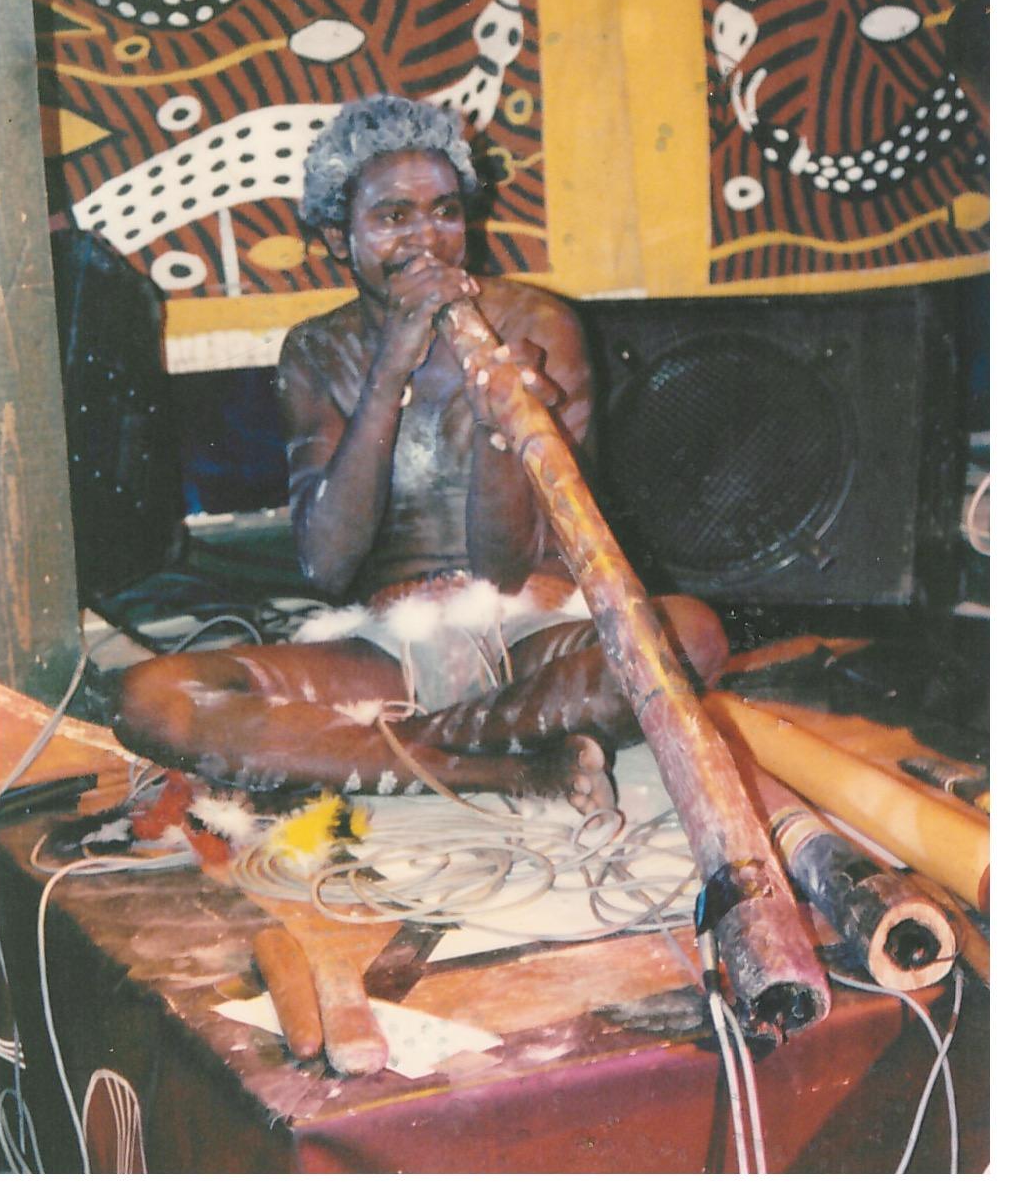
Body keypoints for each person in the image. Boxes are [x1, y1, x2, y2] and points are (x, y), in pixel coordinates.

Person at [116, 96, 728, 816]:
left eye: (445, 211)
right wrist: (388, 370)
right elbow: (327, 567)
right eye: (393, 217)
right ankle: (505, 769)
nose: (427, 240)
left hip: (537, 634)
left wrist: (498, 430)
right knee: (152, 698)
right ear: (338, 238)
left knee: (688, 638)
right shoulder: (319, 350)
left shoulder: (536, 324)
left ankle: (390, 752)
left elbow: (506, 570)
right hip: (388, 648)